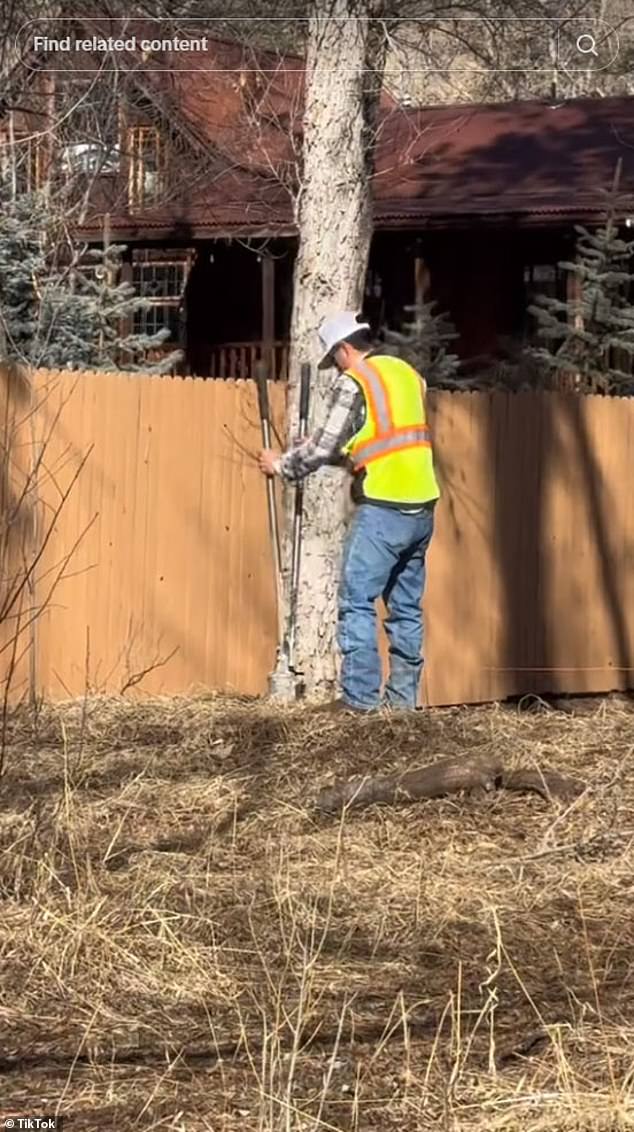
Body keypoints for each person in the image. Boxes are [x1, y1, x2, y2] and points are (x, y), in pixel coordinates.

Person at [258, 311, 440, 713]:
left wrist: (282, 465)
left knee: (357, 601)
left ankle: (360, 703)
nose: (335, 367)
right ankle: (402, 706)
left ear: (344, 349)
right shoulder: (408, 374)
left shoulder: (355, 379)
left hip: (384, 509)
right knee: (406, 608)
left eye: (334, 358)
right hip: (422, 506)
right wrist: (334, 447)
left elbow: (324, 448)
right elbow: (382, 440)